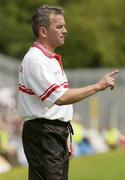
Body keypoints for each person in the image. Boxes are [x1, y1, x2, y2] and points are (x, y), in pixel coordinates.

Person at [18, 4, 119, 180]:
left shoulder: (48, 59)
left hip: (52, 134)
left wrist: (64, 139)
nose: (65, 30)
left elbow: (55, 105)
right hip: (44, 134)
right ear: (43, 31)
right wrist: (97, 86)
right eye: (59, 26)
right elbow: (61, 98)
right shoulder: (36, 60)